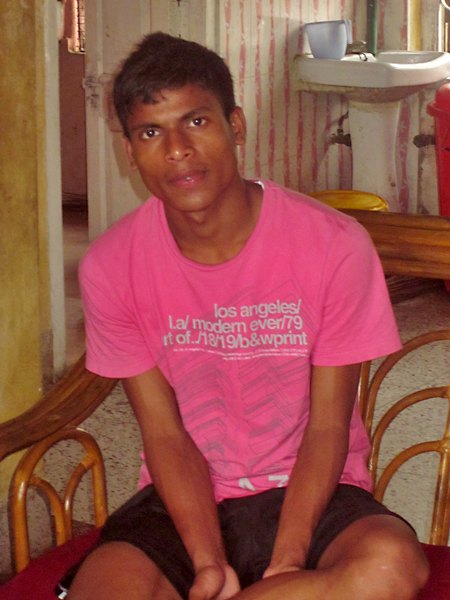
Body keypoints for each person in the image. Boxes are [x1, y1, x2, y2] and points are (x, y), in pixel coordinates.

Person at [64, 31, 428, 600]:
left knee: (391, 568)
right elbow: (165, 434)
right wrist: (208, 563)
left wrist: (288, 560)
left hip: (313, 491)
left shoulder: (333, 244)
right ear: (130, 152)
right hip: (184, 502)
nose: (177, 149)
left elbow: (327, 426)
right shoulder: (112, 267)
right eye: (151, 132)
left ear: (235, 126)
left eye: (196, 121)